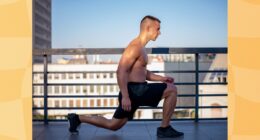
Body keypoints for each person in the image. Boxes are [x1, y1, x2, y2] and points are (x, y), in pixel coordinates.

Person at [67, 15, 184, 138]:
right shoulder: (135, 47)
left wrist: (162, 78)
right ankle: (164, 128)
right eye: (157, 29)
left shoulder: (141, 48)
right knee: (171, 89)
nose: (159, 32)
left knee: (113, 125)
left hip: (137, 91)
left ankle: (76, 118)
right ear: (148, 28)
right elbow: (121, 71)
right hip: (135, 91)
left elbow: (143, 73)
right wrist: (126, 97)